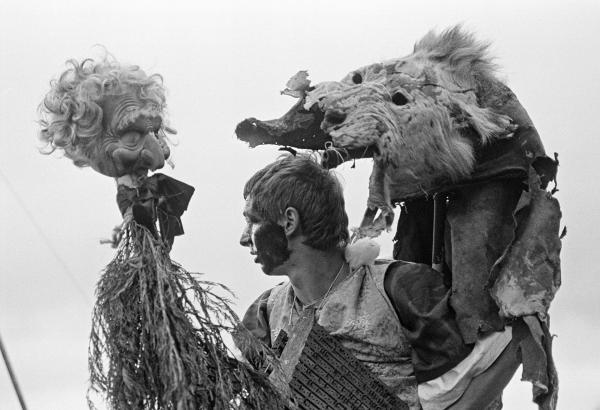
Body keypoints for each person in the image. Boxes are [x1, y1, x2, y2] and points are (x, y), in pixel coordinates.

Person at [240, 154, 520, 410]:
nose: (243, 238)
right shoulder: (264, 313)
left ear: (289, 221)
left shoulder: (401, 288)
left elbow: (508, 346)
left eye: (252, 221)